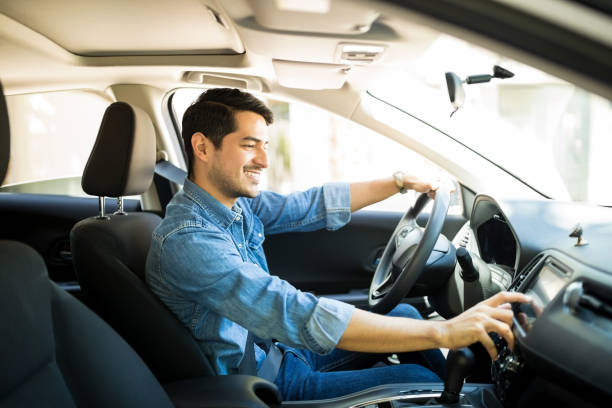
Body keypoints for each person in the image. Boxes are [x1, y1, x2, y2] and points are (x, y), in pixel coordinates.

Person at [145, 88, 529, 401]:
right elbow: (292, 311)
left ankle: (475, 393)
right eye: (249, 145)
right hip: (259, 383)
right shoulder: (189, 241)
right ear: (202, 147)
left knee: (408, 318)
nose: (263, 159)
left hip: (279, 352)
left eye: (264, 145)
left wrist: (398, 182)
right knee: (414, 374)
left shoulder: (235, 206)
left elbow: (311, 206)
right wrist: (445, 332)